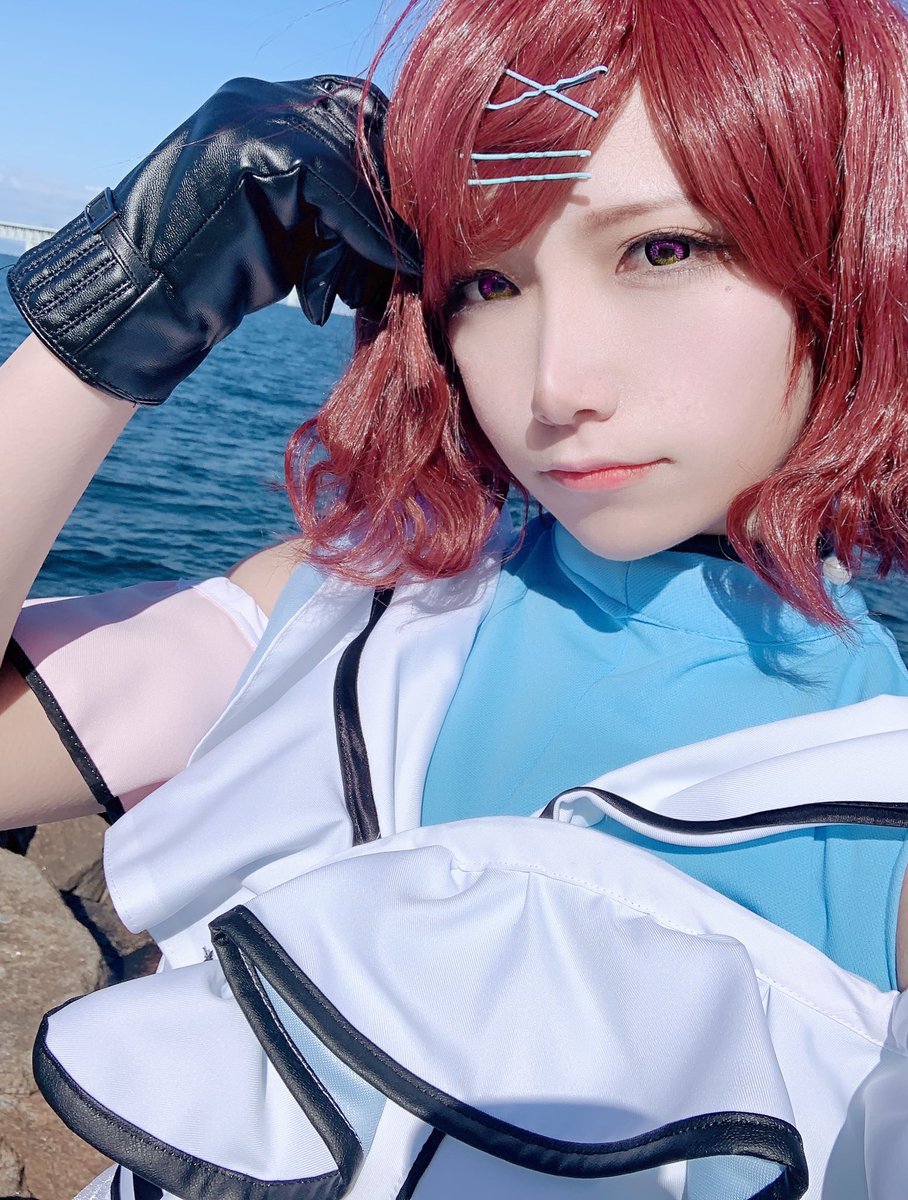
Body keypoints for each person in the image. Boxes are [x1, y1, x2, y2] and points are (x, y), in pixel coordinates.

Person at [2, 0, 908, 1196]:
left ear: (848, 258)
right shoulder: (356, 615)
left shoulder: (874, 789)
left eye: (661, 250)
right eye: (487, 280)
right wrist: (114, 313)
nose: (554, 385)